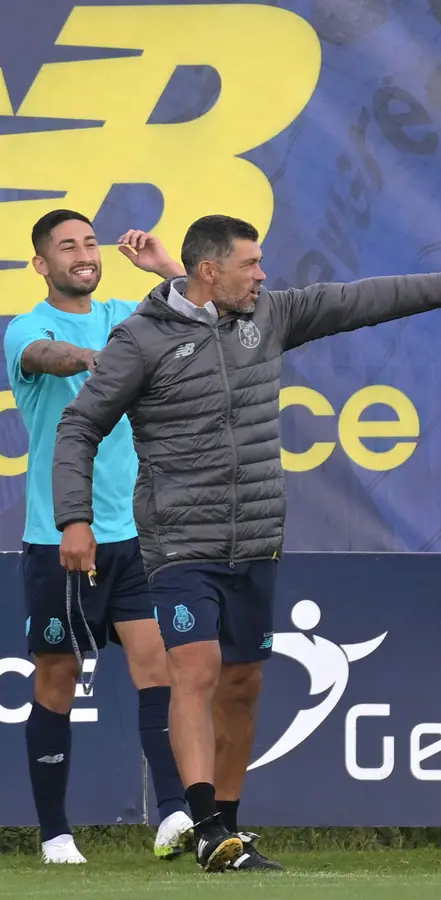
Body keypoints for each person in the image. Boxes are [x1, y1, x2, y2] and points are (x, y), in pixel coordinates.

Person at [52, 214, 441, 872]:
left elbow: (356, 300)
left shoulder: (265, 316)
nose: (264, 275)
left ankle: (233, 827)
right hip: (181, 541)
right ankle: (206, 826)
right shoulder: (140, 338)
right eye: (252, 264)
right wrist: (74, 518)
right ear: (210, 272)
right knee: (195, 672)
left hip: (257, 539)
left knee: (241, 683)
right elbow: (78, 427)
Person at [2, 210, 192, 865]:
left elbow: (206, 304)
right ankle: (55, 834)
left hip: (135, 537)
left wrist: (167, 268)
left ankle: (173, 816)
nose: (83, 253)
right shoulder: (29, 327)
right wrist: (92, 356)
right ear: (41, 264)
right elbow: (43, 356)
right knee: (57, 681)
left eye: (88, 242)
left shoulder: (126, 311)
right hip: (60, 540)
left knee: (158, 668)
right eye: (67, 246)